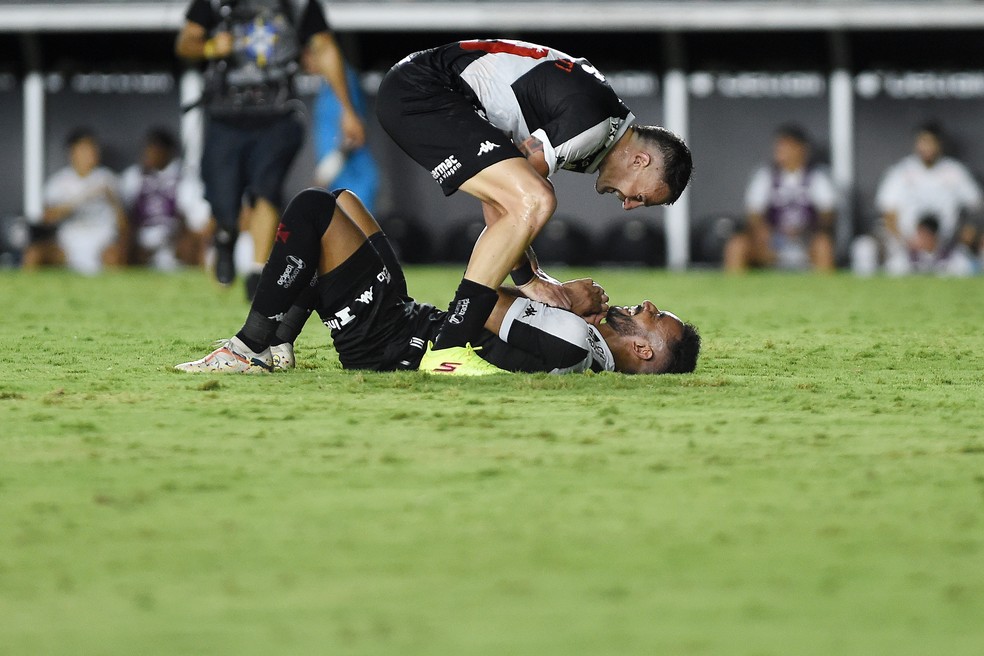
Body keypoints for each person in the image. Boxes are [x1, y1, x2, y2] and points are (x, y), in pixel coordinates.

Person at [374, 38, 693, 367]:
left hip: (424, 88)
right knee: (538, 196)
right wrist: (529, 280)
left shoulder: (604, 121)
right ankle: (448, 347)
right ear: (640, 160)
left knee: (535, 194)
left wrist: (532, 278)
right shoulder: (591, 130)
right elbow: (506, 203)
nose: (628, 205)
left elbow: (504, 204)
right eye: (640, 197)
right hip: (423, 91)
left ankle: (451, 341)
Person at [174, 188, 701, 376]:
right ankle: (282, 342)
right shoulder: (579, 340)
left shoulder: (574, 341)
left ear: (645, 351)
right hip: (406, 321)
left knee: (313, 210)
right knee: (344, 203)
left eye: (656, 317)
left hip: (390, 342)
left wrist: (553, 294)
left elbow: (481, 297)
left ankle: (248, 347)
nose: (647, 304)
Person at [175, 0, 366, 297]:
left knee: (268, 188)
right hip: (225, 114)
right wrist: (211, 48)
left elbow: (324, 47)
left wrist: (347, 109)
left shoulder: (300, 5)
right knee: (223, 200)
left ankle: (256, 272)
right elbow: (186, 41)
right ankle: (226, 235)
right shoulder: (215, 3)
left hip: (279, 112)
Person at [852, 121, 983, 276]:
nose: (926, 147)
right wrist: (907, 242)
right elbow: (888, 214)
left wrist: (966, 235)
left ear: (939, 144)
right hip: (906, 245)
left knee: (963, 266)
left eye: (930, 142)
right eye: (922, 142)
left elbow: (977, 207)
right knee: (863, 247)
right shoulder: (901, 172)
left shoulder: (954, 171)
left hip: (946, 246)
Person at [724, 124, 836, 272]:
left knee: (823, 245)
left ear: (801, 149)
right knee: (737, 245)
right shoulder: (765, 175)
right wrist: (764, 231)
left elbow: (827, 213)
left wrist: (806, 230)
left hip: (805, 241)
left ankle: (827, 291)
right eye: (778, 146)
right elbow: (753, 213)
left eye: (786, 146)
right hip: (773, 241)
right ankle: (734, 290)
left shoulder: (817, 177)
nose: (779, 151)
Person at [23, 128, 128, 275]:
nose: (91, 153)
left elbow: (124, 224)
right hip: (68, 244)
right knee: (34, 255)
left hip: (102, 242)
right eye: (84, 149)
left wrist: (113, 200)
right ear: (72, 152)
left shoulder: (108, 178)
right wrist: (81, 199)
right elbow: (46, 218)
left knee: (115, 257)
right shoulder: (59, 181)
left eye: (93, 148)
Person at [120, 128, 209, 271]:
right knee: (121, 243)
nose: (150, 155)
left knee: (191, 243)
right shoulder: (133, 176)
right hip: (140, 238)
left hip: (172, 237)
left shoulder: (184, 177)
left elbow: (191, 219)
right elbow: (125, 216)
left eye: (155, 150)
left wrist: (171, 239)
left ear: (168, 152)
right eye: (148, 150)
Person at [311, 63, 379, 213]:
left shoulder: (344, 82)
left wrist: (328, 170)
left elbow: (354, 135)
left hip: (354, 184)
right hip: (337, 185)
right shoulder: (326, 85)